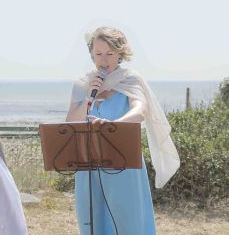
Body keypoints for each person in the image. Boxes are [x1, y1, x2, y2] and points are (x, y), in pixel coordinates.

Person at [66, 27, 180, 235]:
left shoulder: (130, 80)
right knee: (92, 223)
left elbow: (140, 110)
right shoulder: (82, 85)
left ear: (120, 54)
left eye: (110, 54)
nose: (103, 60)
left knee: (128, 224)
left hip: (123, 164)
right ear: (91, 54)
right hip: (89, 166)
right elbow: (71, 121)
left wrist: (114, 126)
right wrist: (89, 97)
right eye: (98, 54)